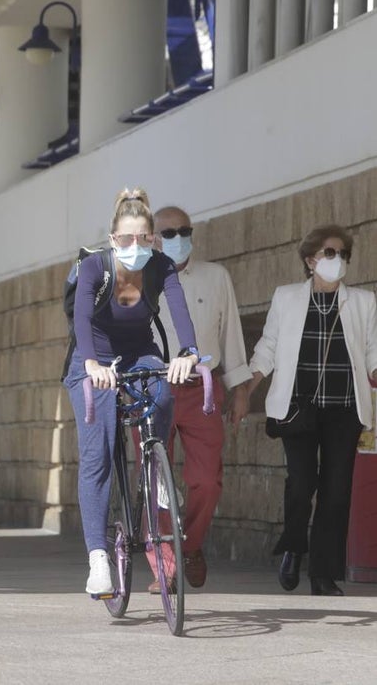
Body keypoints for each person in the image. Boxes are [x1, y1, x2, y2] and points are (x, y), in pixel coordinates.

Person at [63, 189, 199, 596]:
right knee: (98, 450)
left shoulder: (161, 266)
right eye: (126, 238)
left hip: (139, 351)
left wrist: (188, 353)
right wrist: (91, 365)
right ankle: (99, 559)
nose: (135, 246)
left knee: (163, 392)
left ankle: (155, 471)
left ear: (154, 238)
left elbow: (178, 308)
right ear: (112, 238)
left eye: (144, 238)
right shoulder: (93, 266)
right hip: (92, 358)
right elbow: (82, 319)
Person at [246, 224, 377, 597]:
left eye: (343, 255)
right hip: (298, 407)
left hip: (344, 409)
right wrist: (247, 387)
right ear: (310, 260)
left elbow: (372, 350)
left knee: (336, 493)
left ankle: (323, 574)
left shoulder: (364, 302)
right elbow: (268, 346)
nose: (338, 261)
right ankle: (292, 546)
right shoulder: (286, 298)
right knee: (302, 485)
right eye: (330, 253)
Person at [149, 206, 252, 592]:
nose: (178, 238)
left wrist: (240, 388)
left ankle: (189, 546)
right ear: (154, 237)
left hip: (201, 388)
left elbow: (231, 336)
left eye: (184, 230)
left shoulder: (216, 277)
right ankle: (165, 567)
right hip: (153, 387)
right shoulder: (140, 278)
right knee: (155, 479)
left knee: (206, 481)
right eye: (168, 232)